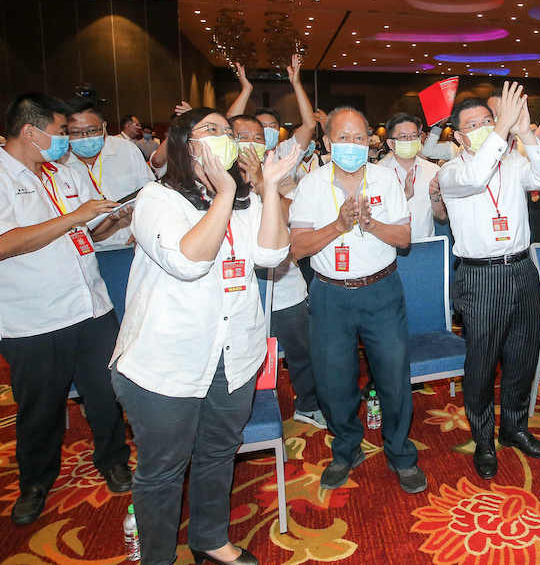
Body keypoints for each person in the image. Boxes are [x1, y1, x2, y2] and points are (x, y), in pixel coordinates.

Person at [110, 107, 298, 565]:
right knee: (163, 470)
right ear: (183, 142)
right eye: (210, 129)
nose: (224, 137)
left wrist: (268, 188)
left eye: (228, 131)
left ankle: (210, 539)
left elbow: (272, 254)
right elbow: (190, 262)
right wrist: (227, 192)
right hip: (166, 362)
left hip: (235, 356)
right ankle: (159, 557)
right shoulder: (157, 199)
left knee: (218, 453)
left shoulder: (244, 199)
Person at [0, 93, 132, 526]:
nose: (64, 142)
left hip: (91, 306)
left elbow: (91, 229)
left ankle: (113, 459)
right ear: (30, 131)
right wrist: (73, 218)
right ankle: (36, 483)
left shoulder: (65, 172)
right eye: (59, 133)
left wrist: (118, 214)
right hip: (33, 318)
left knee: (106, 392)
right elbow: (7, 243)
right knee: (40, 406)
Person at [289, 106, 427, 494]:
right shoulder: (311, 185)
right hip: (330, 294)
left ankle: (400, 453)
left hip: (381, 291)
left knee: (394, 377)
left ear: (370, 140)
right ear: (328, 142)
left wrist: (369, 224)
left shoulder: (386, 179)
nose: (352, 145)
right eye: (343, 138)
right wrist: (338, 225)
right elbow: (297, 248)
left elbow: (404, 239)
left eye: (360, 138)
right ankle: (345, 448)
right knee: (334, 381)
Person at [438, 82, 540, 480]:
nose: (484, 128)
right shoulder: (452, 172)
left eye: (487, 121)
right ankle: (484, 437)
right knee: (482, 360)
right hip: (481, 276)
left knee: (524, 354)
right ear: (457, 135)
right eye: (472, 125)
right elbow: (476, 177)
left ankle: (515, 427)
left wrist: (523, 132)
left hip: (523, 269)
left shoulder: (512, 161)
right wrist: (500, 131)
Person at [230, 114, 325, 428]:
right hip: (237, 291)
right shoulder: (216, 181)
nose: (253, 143)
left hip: (283, 284)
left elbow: (290, 216)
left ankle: (308, 404)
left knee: (301, 350)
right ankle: (244, 414)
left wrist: (263, 183)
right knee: (244, 356)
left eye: (258, 137)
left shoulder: (277, 176)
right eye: (243, 136)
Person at [64, 100, 154, 248]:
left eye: (92, 130)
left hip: (134, 244)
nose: (85, 137)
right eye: (76, 133)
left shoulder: (126, 150)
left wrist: (147, 228)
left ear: (104, 126)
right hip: (89, 251)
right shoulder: (61, 164)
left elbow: (150, 193)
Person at [379, 112, 447, 240]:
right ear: (391, 143)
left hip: (425, 245)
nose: (410, 140)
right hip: (389, 248)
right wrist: (403, 197)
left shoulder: (433, 170)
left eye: (414, 136)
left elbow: (441, 217)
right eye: (403, 137)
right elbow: (373, 217)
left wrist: (435, 197)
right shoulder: (378, 173)